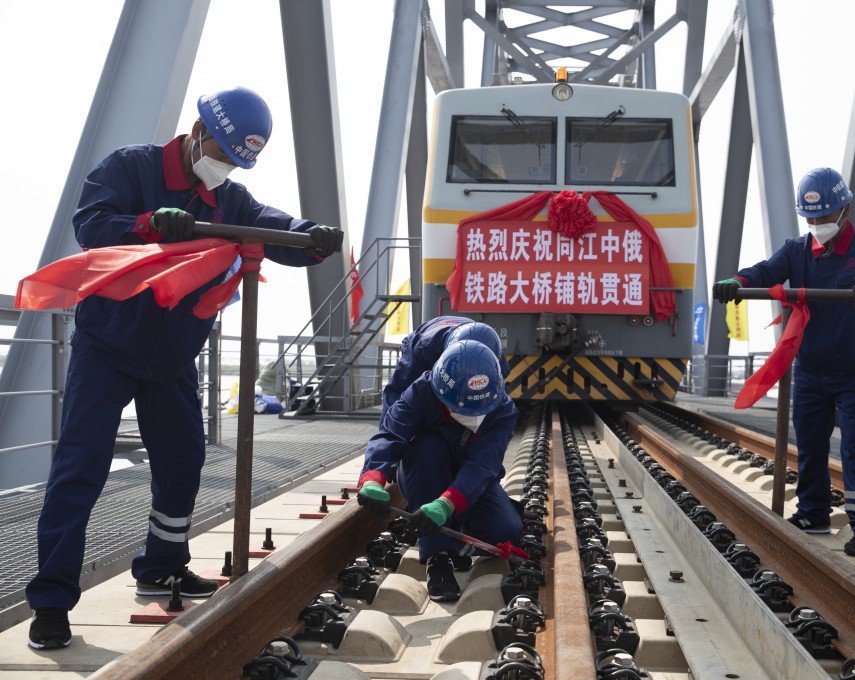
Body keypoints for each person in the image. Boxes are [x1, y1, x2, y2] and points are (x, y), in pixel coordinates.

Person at [26, 86, 345, 650]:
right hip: (108, 347)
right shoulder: (130, 168)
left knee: (182, 460)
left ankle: (162, 565)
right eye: (221, 154)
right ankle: (51, 600)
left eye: (234, 162)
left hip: (171, 357)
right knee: (80, 469)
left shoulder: (231, 200)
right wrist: (148, 223)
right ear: (198, 133)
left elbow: (273, 227)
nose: (223, 168)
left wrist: (311, 238)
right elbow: (93, 224)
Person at [712, 167, 855, 558]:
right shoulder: (796, 251)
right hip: (812, 370)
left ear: (844, 209)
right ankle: (814, 513)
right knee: (811, 445)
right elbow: (766, 271)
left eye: (824, 217)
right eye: (810, 218)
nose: (817, 224)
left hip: (854, 371)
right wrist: (739, 282)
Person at [357, 340, 522, 602]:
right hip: (426, 469)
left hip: (468, 477)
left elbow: (483, 465)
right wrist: (373, 478)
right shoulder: (422, 391)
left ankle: (450, 535)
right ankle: (438, 556)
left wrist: (446, 504)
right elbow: (391, 434)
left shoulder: (502, 409)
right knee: (425, 446)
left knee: (506, 533)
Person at [381, 316, 511, 423]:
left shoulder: (494, 354)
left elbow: (496, 388)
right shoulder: (424, 350)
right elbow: (396, 391)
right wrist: (387, 430)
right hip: (425, 341)